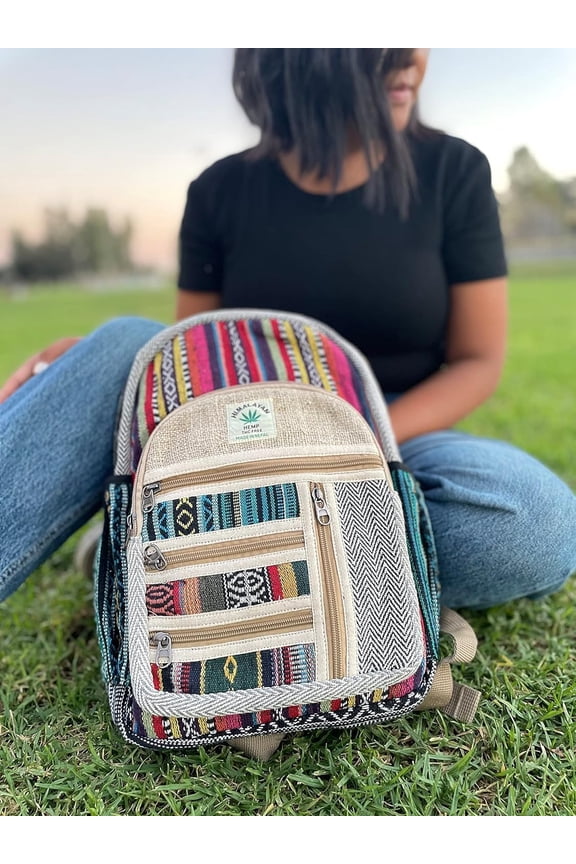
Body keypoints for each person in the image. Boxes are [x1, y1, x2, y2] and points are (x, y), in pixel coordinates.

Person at [1, 48, 575, 610]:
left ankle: (178, 555)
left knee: (530, 524)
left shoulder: (454, 171)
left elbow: (478, 361)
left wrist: (344, 450)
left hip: (394, 429)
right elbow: (190, 354)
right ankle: (287, 564)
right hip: (243, 430)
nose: (413, 57)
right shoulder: (218, 191)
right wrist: (98, 361)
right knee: (124, 342)